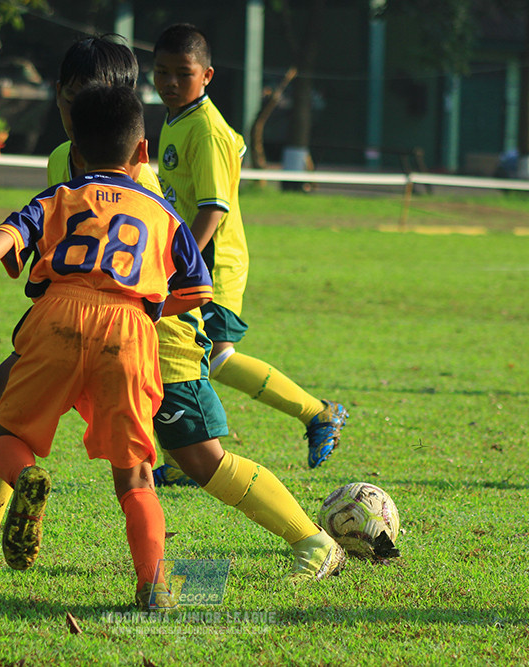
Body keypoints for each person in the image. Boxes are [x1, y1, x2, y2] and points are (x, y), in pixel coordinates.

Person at [0, 36, 347, 586]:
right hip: (86, 325)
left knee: (202, 461)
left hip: (160, 339)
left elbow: (163, 265)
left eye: (94, 99)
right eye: (73, 98)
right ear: (61, 96)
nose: (81, 111)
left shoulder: (138, 178)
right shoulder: (66, 157)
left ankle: (312, 538)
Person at [0, 84, 213, 609]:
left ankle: (26, 477)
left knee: (7, 433)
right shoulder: (162, 213)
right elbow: (198, 289)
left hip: (58, 317)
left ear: (76, 152)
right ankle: (154, 585)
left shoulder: (61, 195)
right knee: (135, 473)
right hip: (131, 330)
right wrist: (147, 307)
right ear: (142, 153)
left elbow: (14, 227)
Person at [152, 23, 348, 471]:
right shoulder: (177, 119)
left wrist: (181, 263)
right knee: (176, 355)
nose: (170, 83)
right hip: (194, 260)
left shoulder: (206, 130)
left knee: (215, 359)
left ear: (207, 76)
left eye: (182, 73)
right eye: (162, 72)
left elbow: (213, 209)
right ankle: (184, 461)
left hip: (213, 263)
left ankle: (319, 413)